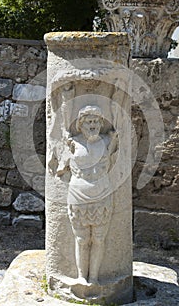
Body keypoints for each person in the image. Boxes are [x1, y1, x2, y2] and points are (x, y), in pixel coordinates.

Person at [67, 105, 113, 284]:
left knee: (99, 239)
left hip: (102, 194)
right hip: (78, 194)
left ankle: (94, 277)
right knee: (81, 239)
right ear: (81, 124)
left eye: (95, 121)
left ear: (101, 124)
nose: (92, 125)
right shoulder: (73, 142)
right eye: (88, 122)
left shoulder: (108, 140)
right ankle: (81, 277)